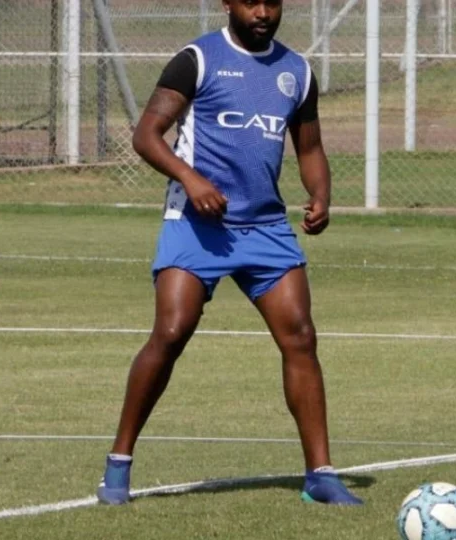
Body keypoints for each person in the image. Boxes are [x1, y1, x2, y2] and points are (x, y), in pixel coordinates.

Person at [96, 0, 361, 506]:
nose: (262, 12)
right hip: (197, 225)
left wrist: (321, 195)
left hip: (265, 227)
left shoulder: (297, 71)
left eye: (272, 2)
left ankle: (321, 476)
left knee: (301, 337)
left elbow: (309, 148)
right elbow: (146, 136)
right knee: (171, 331)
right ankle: (118, 465)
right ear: (227, 3)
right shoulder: (196, 60)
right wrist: (191, 179)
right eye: (250, 1)